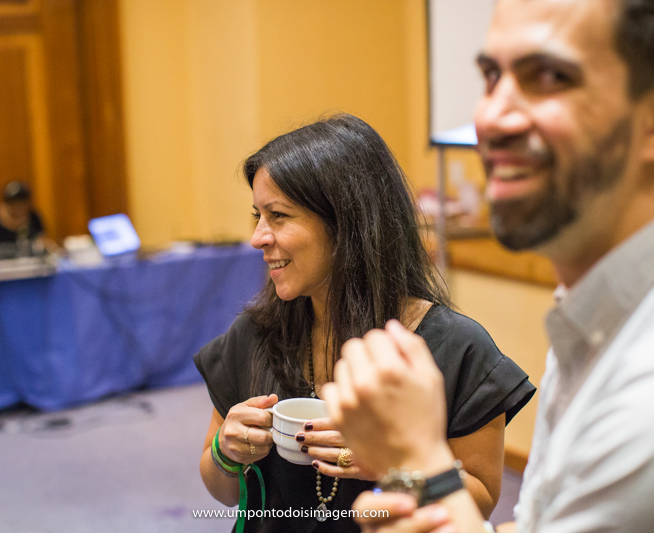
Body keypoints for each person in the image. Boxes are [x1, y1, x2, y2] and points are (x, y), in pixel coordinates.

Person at [323, 1, 654, 532]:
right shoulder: (597, 314)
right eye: (492, 77)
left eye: (550, 77)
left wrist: (416, 460)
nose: (490, 118)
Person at [193, 114, 536, 532]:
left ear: (346, 223)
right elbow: (221, 489)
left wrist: (394, 464)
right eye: (258, 216)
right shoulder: (254, 334)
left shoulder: (456, 349)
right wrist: (226, 451)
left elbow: (478, 503)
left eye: (278, 216)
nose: (258, 237)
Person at [0, 181, 45, 250]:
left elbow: (42, 239)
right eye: (14, 203)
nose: (18, 207)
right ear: (5, 203)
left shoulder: (33, 216)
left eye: (22, 203)